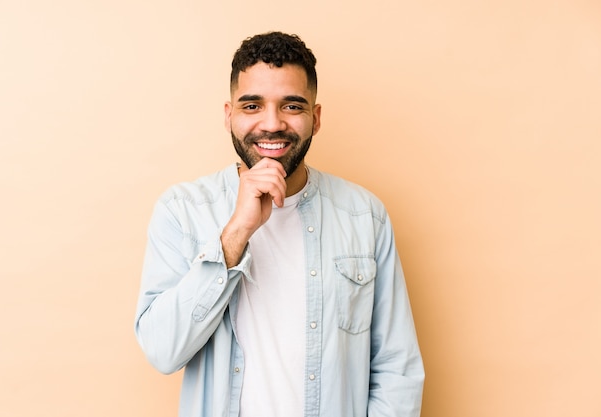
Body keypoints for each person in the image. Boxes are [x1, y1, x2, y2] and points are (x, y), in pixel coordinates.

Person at [134, 31, 425, 417]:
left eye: (291, 106)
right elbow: (161, 351)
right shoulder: (182, 211)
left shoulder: (364, 215)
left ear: (315, 118)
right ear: (228, 115)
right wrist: (236, 232)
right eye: (252, 106)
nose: (271, 125)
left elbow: (397, 369)